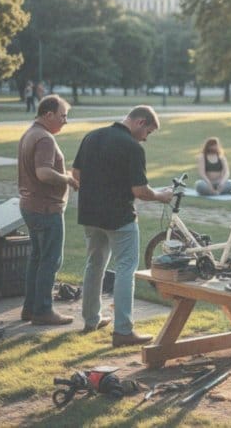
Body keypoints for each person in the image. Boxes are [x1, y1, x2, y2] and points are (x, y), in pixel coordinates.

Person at [73, 105, 174, 345]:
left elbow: (76, 174)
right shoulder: (132, 147)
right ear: (140, 122)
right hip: (120, 218)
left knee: (94, 265)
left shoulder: (92, 136)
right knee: (126, 269)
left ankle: (90, 320)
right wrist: (161, 195)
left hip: (89, 213)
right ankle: (123, 330)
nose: (146, 138)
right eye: (147, 132)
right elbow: (140, 191)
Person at [18, 95, 80, 326]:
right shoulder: (44, 139)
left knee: (37, 258)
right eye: (63, 115)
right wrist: (68, 179)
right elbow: (43, 173)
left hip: (31, 206)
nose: (66, 121)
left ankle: (30, 309)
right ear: (48, 114)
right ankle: (43, 311)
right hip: (45, 209)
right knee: (50, 260)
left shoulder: (30, 133)